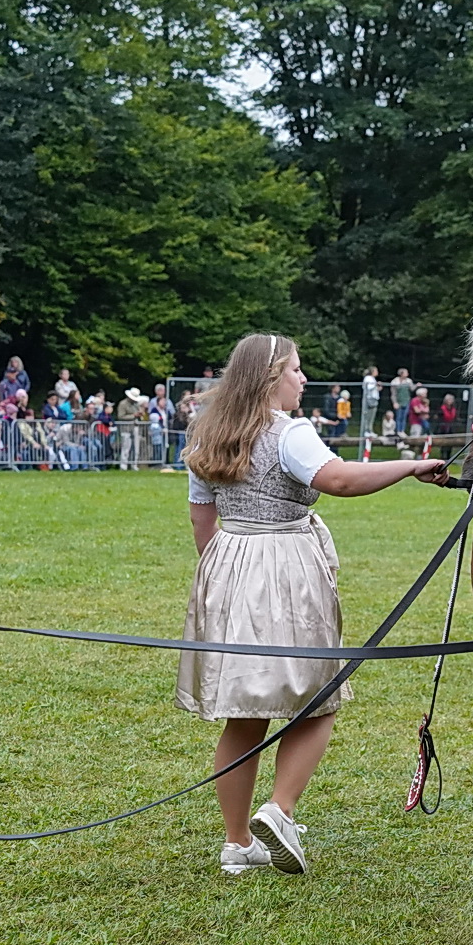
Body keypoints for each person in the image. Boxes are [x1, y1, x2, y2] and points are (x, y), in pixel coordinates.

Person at [178, 334, 447, 876]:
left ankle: (236, 845)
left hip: (228, 563)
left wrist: (226, 581)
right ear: (271, 376)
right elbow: (340, 479)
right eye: (297, 370)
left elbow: (201, 520)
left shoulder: (207, 433)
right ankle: (279, 810)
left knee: (243, 712)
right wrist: (410, 467)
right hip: (285, 564)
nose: (304, 380)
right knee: (316, 697)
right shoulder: (289, 433)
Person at [116, 387, 145, 469]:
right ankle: (123, 465)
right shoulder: (123, 404)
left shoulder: (136, 404)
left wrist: (140, 414)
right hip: (126, 428)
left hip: (135, 427)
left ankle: (134, 464)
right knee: (126, 446)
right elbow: (120, 416)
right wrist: (133, 415)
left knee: (136, 447)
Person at [360, 366, 380, 436]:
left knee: (372, 416)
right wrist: (376, 384)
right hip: (370, 399)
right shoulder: (368, 378)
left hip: (374, 398)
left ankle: (369, 430)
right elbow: (368, 387)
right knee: (368, 416)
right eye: (376, 371)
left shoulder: (372, 378)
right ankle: (367, 431)